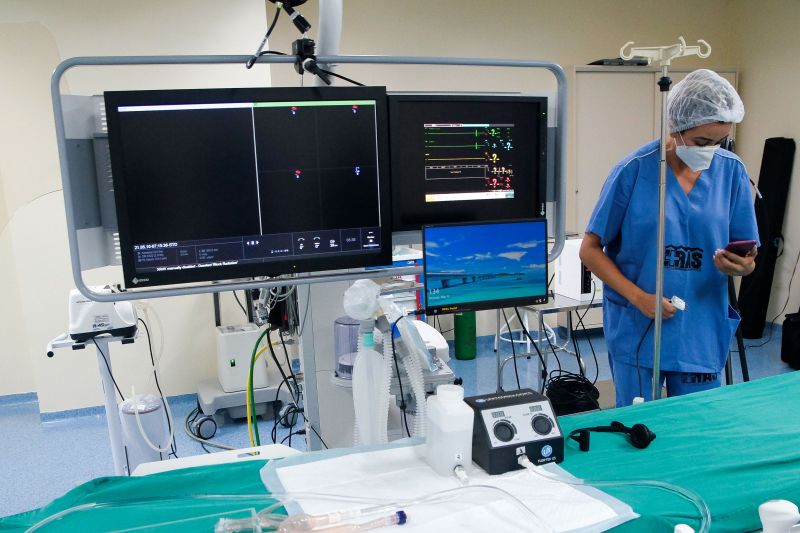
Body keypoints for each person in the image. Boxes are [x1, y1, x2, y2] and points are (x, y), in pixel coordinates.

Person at [580, 69, 759, 407]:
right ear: (676, 127)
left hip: (700, 326)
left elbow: (748, 254)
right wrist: (638, 298)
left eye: (719, 142)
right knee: (638, 427)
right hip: (639, 326)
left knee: (696, 426)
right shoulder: (633, 170)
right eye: (702, 142)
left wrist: (742, 267)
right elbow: (590, 250)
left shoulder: (731, 171)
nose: (711, 151)